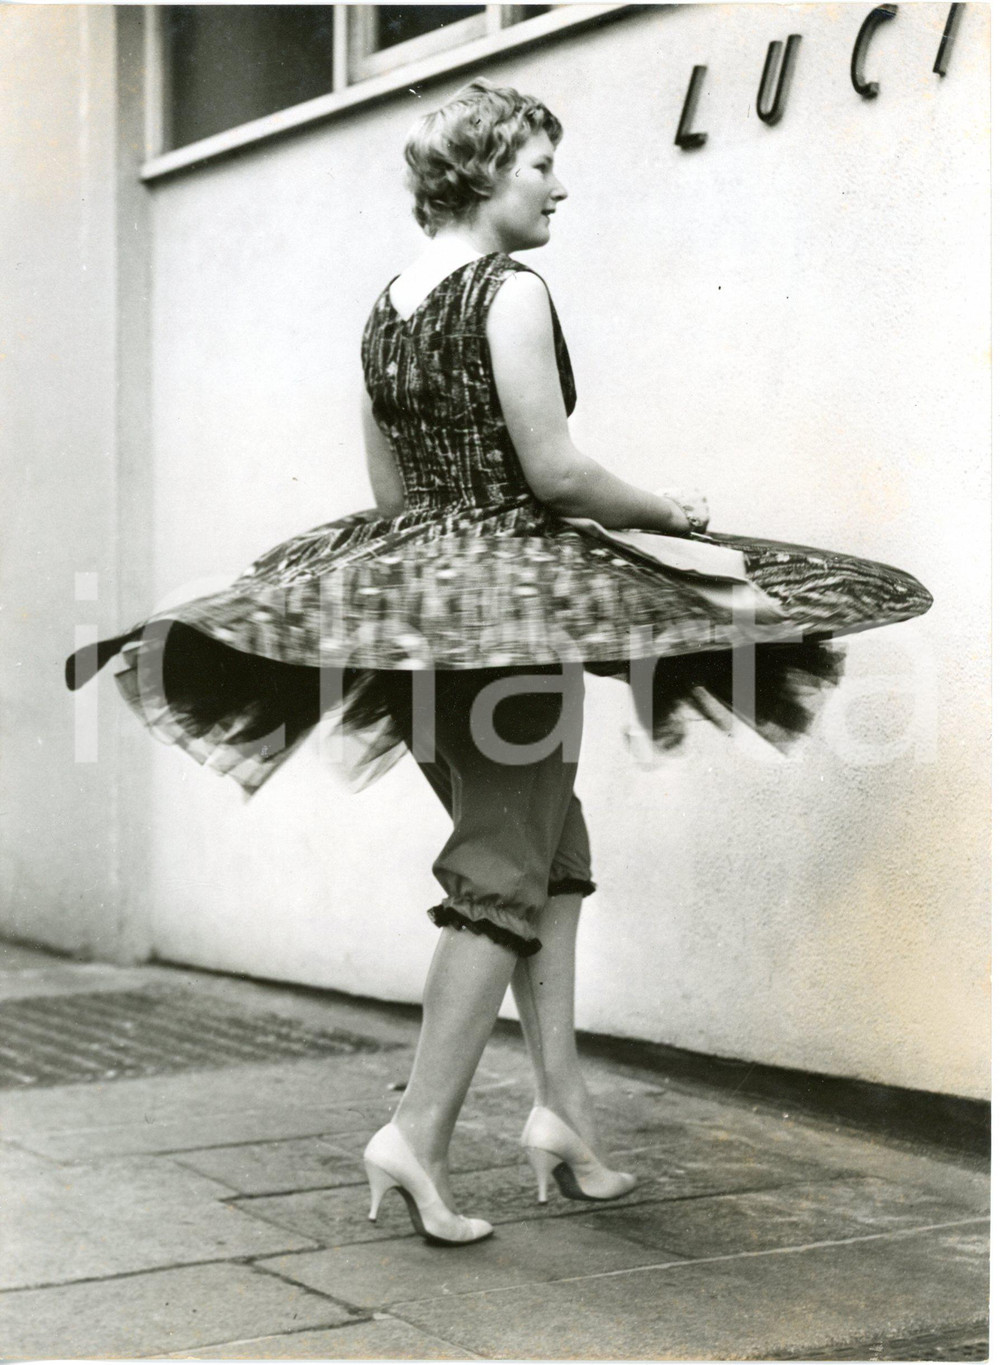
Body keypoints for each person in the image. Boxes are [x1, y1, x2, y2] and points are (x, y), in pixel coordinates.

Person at [66, 79, 932, 1248]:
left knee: (544, 849)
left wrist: (450, 556)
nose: (558, 185)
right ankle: (416, 1134)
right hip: (512, 619)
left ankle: (561, 1112)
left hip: (414, 608)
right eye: (540, 166)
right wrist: (671, 513)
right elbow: (558, 473)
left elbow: (390, 496)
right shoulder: (512, 290)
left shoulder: (381, 306)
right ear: (483, 176)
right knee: (504, 867)